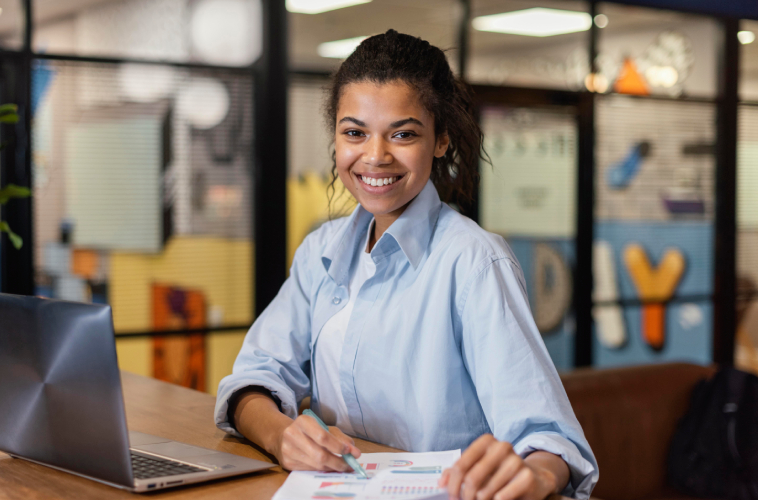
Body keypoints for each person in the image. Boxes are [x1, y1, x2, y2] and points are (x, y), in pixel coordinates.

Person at [215, 30, 598, 500]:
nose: (375, 156)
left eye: (403, 134)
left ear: (440, 141)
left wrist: (536, 475)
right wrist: (281, 436)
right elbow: (252, 378)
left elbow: (548, 440)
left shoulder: (474, 261)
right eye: (354, 133)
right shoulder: (321, 251)